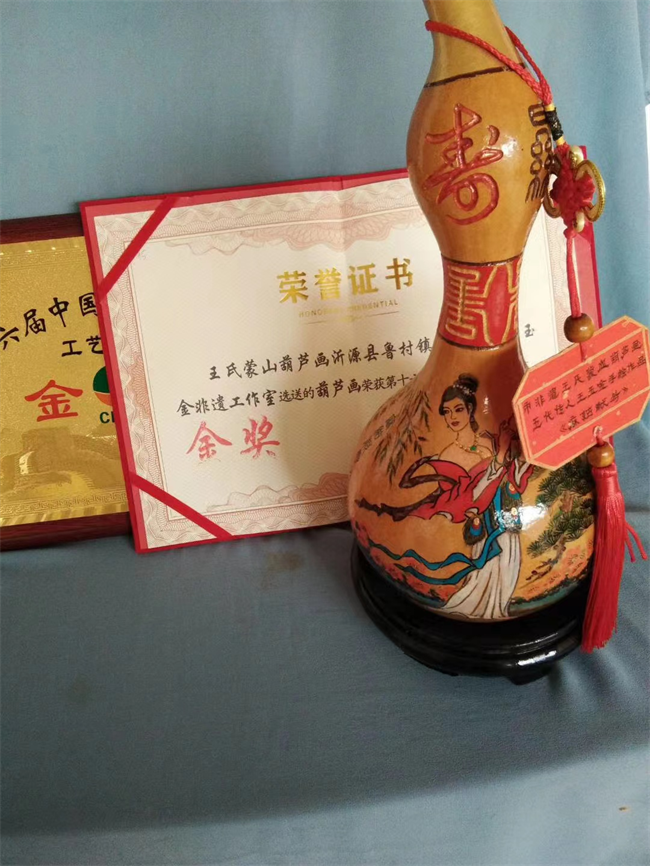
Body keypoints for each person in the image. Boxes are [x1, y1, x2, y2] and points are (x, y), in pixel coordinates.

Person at [357, 375, 533, 619]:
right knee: (487, 573)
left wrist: (518, 452)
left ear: (470, 409)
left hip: (506, 517)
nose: (453, 417)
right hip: (484, 525)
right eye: (447, 412)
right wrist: (500, 459)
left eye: (458, 409)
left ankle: (500, 606)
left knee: (510, 566)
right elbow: (464, 497)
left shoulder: (488, 439)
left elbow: (514, 475)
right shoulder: (448, 455)